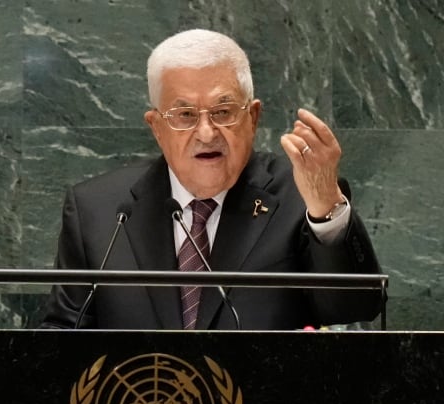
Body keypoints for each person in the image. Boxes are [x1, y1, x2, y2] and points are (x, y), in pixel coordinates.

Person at [39, 28, 382, 330]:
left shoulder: (299, 197)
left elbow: (356, 307)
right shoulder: (98, 210)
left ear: (253, 117)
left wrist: (325, 206)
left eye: (223, 112)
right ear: (156, 128)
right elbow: (65, 338)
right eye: (185, 115)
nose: (206, 133)